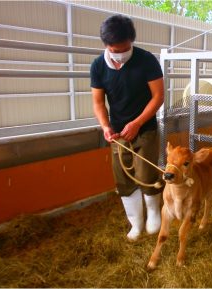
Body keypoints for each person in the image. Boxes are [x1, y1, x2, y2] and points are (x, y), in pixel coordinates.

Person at [90, 14, 164, 241]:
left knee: (146, 173)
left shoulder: (146, 60)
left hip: (145, 128)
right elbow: (98, 102)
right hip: (118, 133)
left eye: (124, 48)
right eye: (115, 49)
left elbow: (158, 96)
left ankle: (153, 214)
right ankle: (135, 223)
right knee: (123, 177)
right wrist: (105, 126)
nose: (120, 53)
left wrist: (138, 123)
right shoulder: (98, 66)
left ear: (131, 41)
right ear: (106, 45)